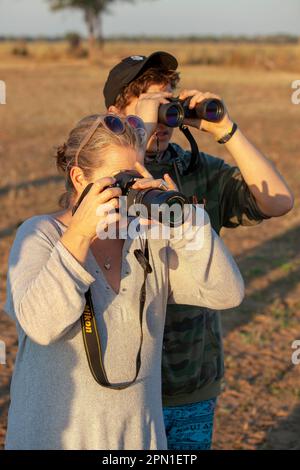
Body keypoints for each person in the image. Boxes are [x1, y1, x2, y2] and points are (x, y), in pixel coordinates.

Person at [4, 113, 244, 450]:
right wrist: (81, 235)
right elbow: (43, 326)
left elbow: (226, 293)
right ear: (78, 178)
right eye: (120, 178)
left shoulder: (146, 238)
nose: (132, 188)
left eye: (138, 174)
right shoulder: (40, 235)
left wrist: (187, 222)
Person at [103, 51, 294, 450]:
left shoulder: (195, 169)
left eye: (168, 105)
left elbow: (278, 202)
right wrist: (135, 136)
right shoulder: (98, 172)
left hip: (191, 378)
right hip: (120, 382)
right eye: (151, 104)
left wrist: (225, 129)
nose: (163, 121)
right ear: (115, 111)